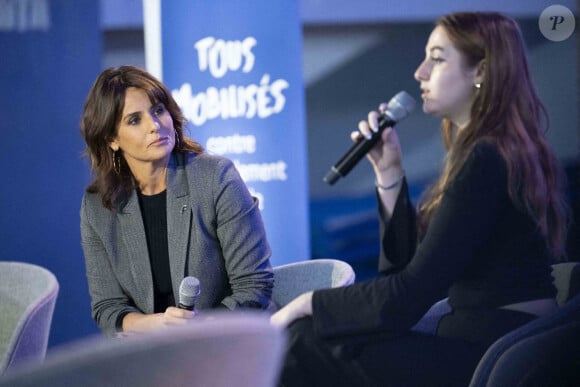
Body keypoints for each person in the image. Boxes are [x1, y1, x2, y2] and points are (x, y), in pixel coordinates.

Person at [271, 12, 569, 386]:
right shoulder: (487, 151)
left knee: (302, 342)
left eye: (438, 58)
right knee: (315, 337)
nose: (420, 72)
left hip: (495, 349)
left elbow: (408, 295)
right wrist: (389, 174)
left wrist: (309, 302)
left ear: (481, 71)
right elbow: (402, 270)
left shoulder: (488, 158)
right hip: (474, 336)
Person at [80, 65, 274, 336]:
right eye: (134, 120)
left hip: (227, 340)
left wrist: (190, 333)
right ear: (112, 139)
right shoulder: (98, 206)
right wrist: (158, 326)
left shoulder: (216, 177)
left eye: (158, 110)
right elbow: (108, 307)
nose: (154, 125)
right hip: (151, 352)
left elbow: (254, 285)